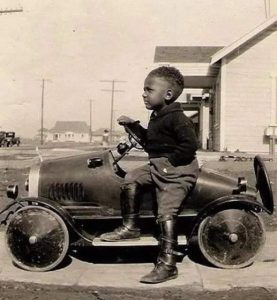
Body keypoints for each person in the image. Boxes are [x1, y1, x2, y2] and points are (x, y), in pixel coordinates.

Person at [100, 66, 199, 284]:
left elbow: (190, 145)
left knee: (166, 211)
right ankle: (131, 226)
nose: (143, 93)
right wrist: (133, 126)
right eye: (144, 89)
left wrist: (170, 164)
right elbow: (151, 141)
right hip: (159, 166)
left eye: (149, 89)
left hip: (178, 172)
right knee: (131, 177)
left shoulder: (178, 118)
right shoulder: (158, 116)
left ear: (168, 95)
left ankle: (167, 264)